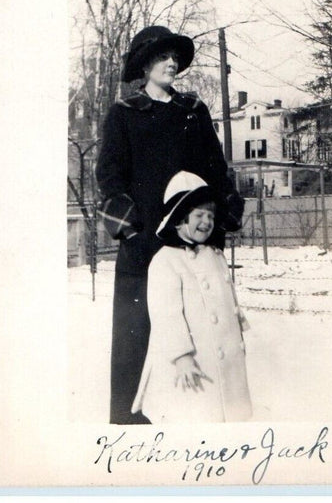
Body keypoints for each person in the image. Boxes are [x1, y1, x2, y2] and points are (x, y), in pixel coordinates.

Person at [95, 25, 244, 424]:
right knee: (136, 335)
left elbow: (216, 169)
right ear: (144, 64)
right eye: (163, 57)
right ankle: (130, 428)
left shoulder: (193, 112)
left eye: (175, 57)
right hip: (143, 246)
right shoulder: (123, 114)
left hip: (193, 242)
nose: (172, 63)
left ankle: (205, 421)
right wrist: (132, 232)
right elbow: (109, 177)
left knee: (204, 331)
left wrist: (219, 220)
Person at [132, 171, 252, 423]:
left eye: (210, 216)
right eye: (198, 215)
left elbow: (227, 299)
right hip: (189, 366)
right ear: (179, 218)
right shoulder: (166, 260)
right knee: (193, 420)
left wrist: (237, 325)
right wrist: (181, 357)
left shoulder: (215, 255)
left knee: (228, 417)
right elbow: (167, 316)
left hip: (223, 361)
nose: (206, 222)